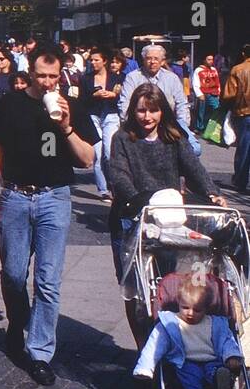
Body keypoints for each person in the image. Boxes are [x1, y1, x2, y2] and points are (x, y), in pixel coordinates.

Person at [0, 45, 98, 386]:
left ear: (61, 74)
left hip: (54, 198)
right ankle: (19, 320)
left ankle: (41, 352)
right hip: (16, 196)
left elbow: (88, 159)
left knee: (47, 280)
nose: (47, 83)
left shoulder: (71, 106)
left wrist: (66, 128)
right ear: (29, 72)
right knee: (14, 274)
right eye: (41, 75)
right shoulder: (10, 104)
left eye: (53, 76)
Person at [107, 85, 226, 281]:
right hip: (132, 212)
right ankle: (137, 310)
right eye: (141, 110)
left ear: (162, 111)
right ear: (132, 111)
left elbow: (193, 168)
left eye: (153, 110)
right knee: (130, 279)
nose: (147, 117)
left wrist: (211, 192)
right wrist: (137, 200)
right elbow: (119, 175)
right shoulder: (122, 137)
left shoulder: (174, 137)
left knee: (165, 278)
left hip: (167, 216)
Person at [134, 274, 243, 389]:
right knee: (189, 376)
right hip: (185, 360)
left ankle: (219, 380)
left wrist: (232, 356)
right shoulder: (170, 323)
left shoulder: (216, 323)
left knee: (215, 370)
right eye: (185, 308)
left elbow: (227, 341)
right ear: (178, 302)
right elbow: (155, 345)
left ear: (206, 308)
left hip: (212, 359)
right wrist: (145, 367)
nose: (190, 313)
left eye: (197, 310)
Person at [120, 44, 197, 155]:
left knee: (194, 149)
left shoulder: (172, 78)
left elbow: (182, 103)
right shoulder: (132, 77)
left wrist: (182, 125)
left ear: (162, 61)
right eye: (149, 58)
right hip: (140, 123)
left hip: (169, 124)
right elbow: (124, 103)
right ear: (143, 60)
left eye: (156, 59)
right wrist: (129, 123)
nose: (152, 62)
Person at [84, 49, 124, 201]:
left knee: (109, 152)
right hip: (93, 117)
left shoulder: (117, 78)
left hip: (111, 115)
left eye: (96, 60)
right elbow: (82, 101)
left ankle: (116, 185)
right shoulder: (86, 79)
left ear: (104, 61)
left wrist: (114, 95)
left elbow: (123, 96)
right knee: (98, 154)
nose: (93, 63)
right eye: (91, 60)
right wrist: (93, 95)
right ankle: (103, 190)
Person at [224, 44, 250, 193]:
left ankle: (240, 181)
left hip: (243, 113)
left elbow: (229, 94)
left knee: (244, 148)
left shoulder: (238, 69)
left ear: (243, 53)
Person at [193, 53, 222, 133]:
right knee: (201, 111)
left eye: (212, 59)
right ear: (204, 60)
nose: (211, 61)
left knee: (215, 110)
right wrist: (199, 94)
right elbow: (195, 83)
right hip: (203, 93)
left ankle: (212, 127)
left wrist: (218, 92)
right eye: (208, 59)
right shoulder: (198, 70)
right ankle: (200, 127)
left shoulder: (214, 69)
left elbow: (217, 81)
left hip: (214, 94)